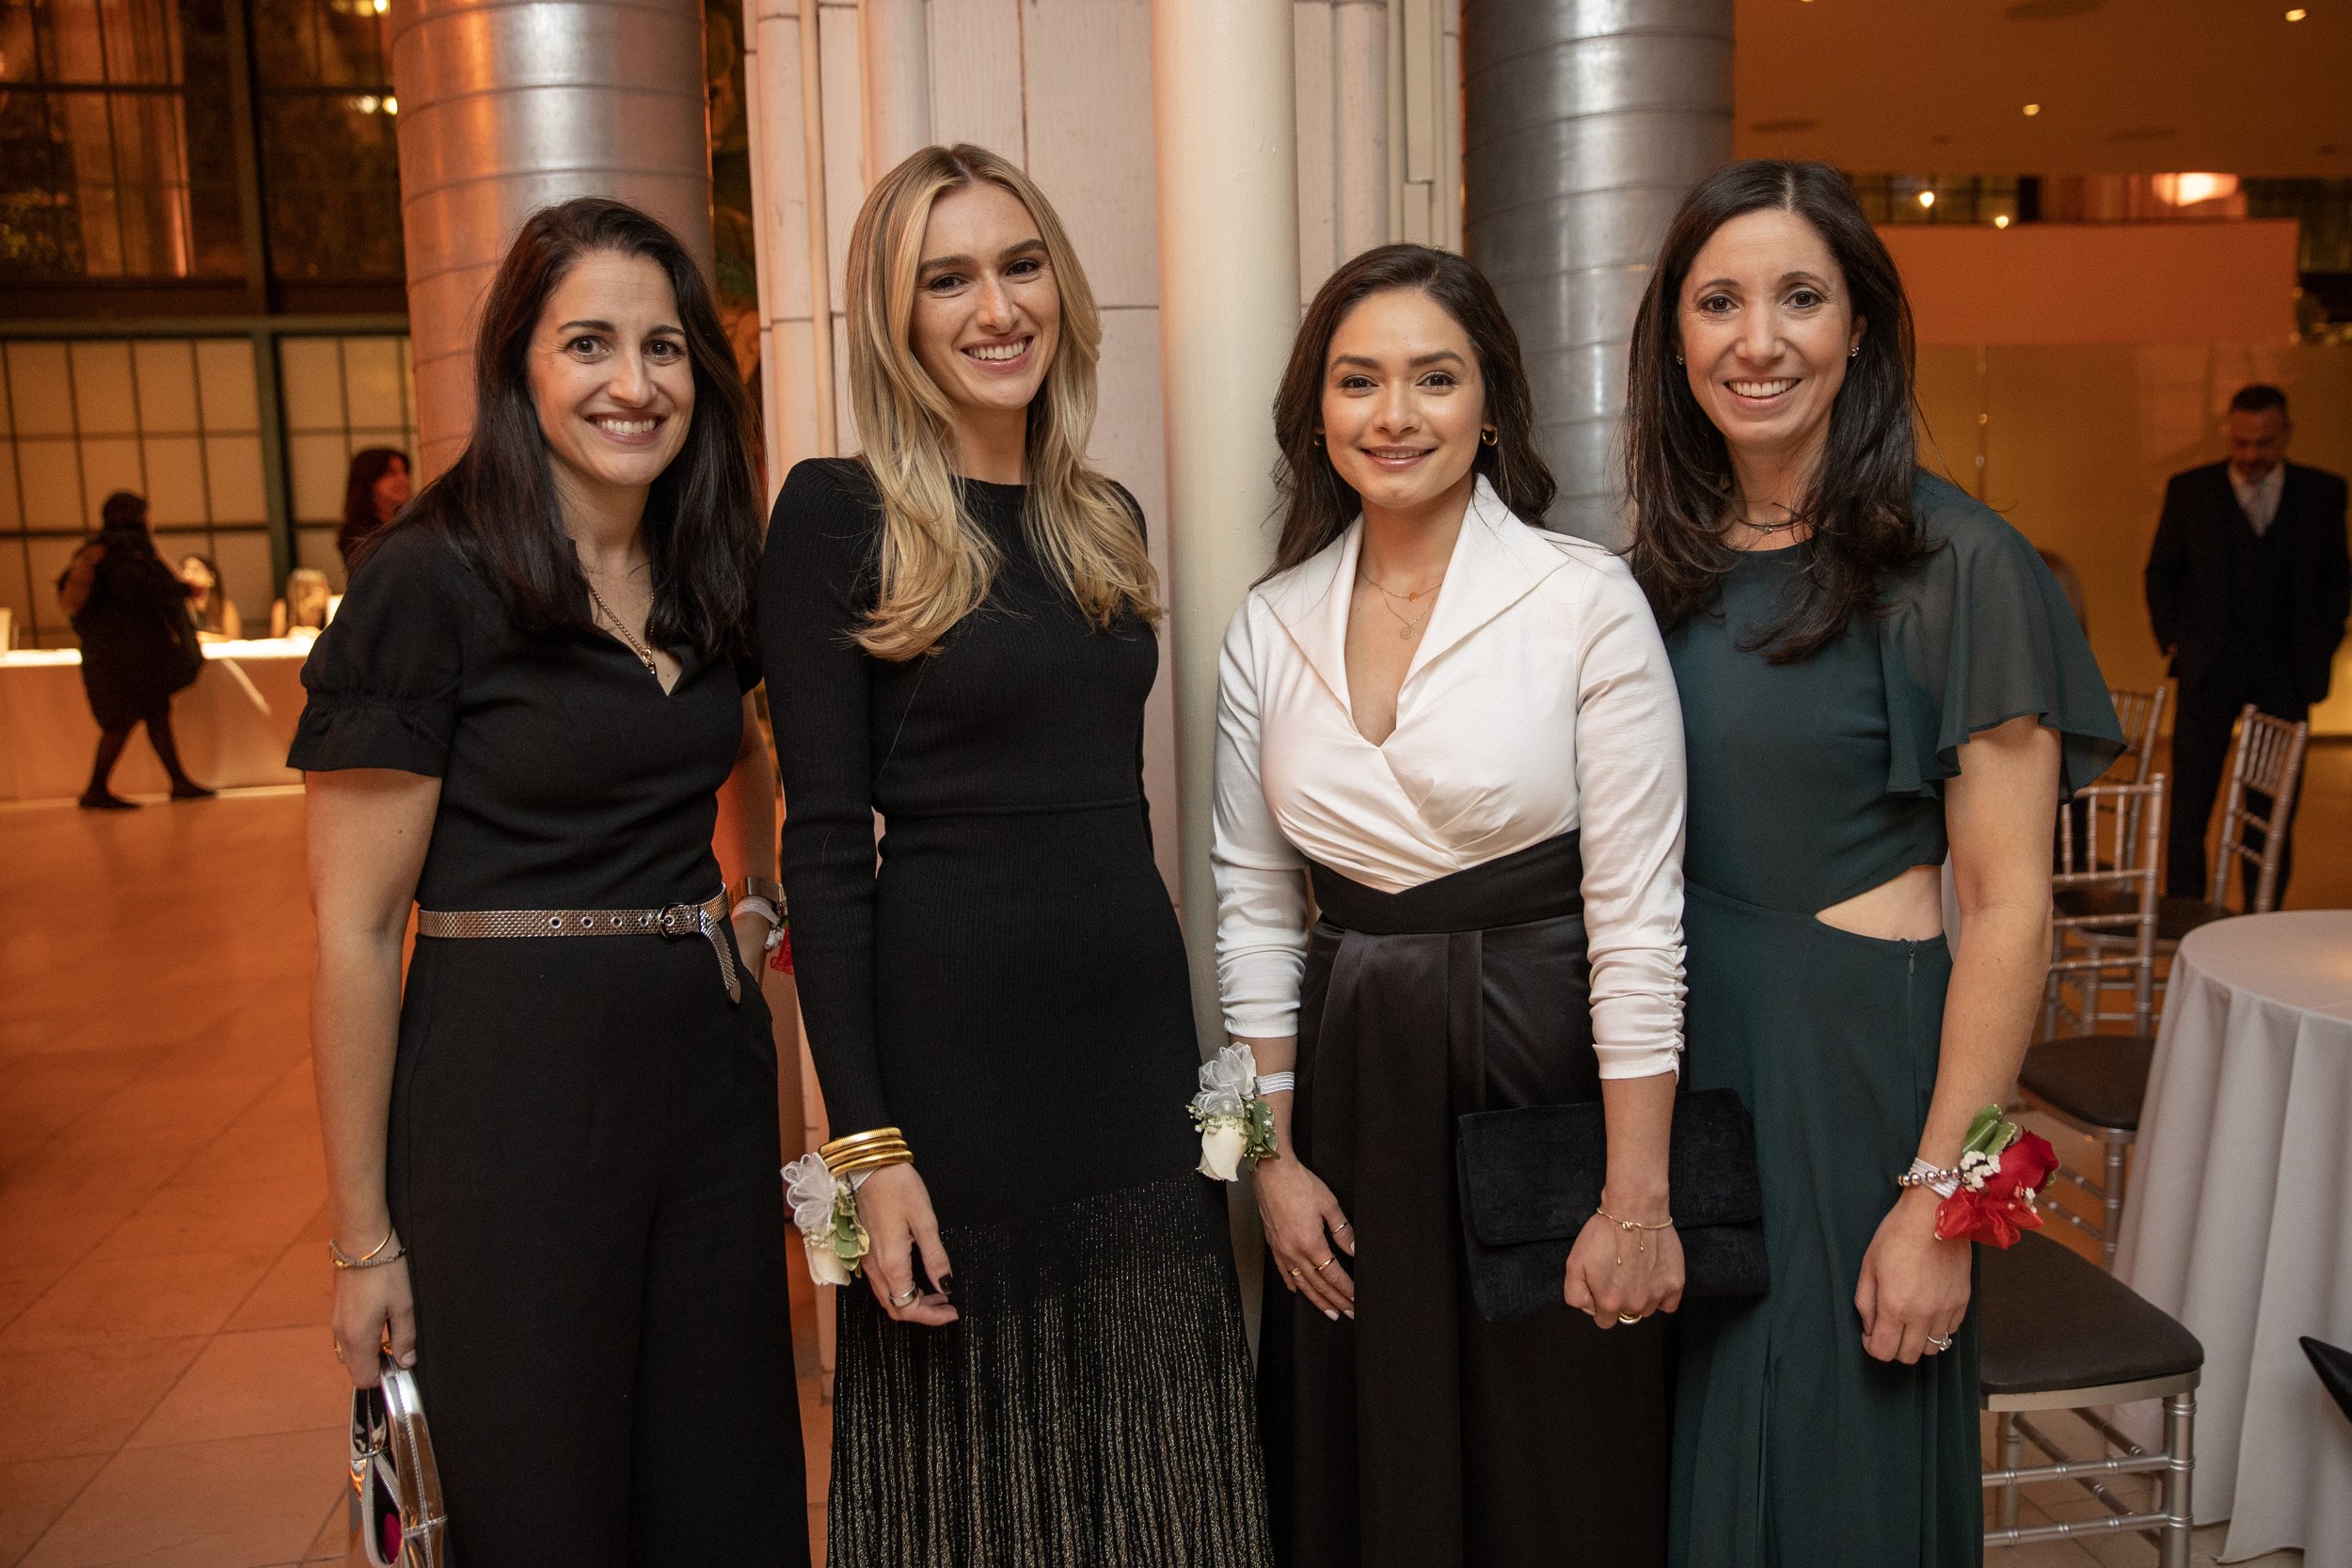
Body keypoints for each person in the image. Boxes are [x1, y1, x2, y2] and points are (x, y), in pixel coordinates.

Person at [759, 143, 1266, 1567]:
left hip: (1129, 1060)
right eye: (948, 279)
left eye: (1020, 264)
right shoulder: (837, 513)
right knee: (976, 1494)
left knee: (1160, 1486)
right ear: (896, 319)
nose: (997, 307)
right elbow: (823, 850)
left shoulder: (1103, 517)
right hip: (954, 1071)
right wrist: (867, 1146)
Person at [1622, 160, 2122, 1568]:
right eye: (1718, 302)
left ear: (1860, 328)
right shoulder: (1659, 565)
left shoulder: (1959, 562)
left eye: (1799, 297)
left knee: (1835, 1476)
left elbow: (2011, 909)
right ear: (1674, 336)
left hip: (1849, 1084)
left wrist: (1943, 1200)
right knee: (1699, 1474)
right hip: (1692, 1069)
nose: (1756, 340)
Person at [293, 197, 806, 1567]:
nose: (633, 383)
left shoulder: (705, 557)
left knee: (719, 1477)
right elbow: (353, 931)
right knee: (540, 1488)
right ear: (518, 363)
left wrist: (754, 897)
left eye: (663, 347)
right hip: (508, 1100)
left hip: (704, 1088)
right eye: (589, 343)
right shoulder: (428, 579)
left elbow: (742, 739)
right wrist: (362, 1242)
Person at [1216, 245, 1690, 1568]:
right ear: (1318, 408)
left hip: (1544, 1068)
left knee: (1552, 1453)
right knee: (1372, 1449)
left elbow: (1638, 915)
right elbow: (1254, 908)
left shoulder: (1583, 597)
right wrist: (1272, 1157)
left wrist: (1635, 1193)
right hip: (1352, 1080)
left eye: (1434, 377)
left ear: (1492, 404)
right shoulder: (1270, 623)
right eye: (1358, 379)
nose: (1394, 413)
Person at [2145, 384, 2349, 903]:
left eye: (2264, 443)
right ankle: (2185, 915)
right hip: (2208, 669)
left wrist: (2321, 643)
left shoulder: (2323, 493)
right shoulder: (2191, 489)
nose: (2251, 455)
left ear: (2287, 433)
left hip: (2286, 672)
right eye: (2241, 443)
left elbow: (2336, 579)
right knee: (2190, 804)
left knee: (2271, 808)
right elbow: (2162, 571)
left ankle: (2263, 917)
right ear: (2228, 434)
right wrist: (2176, 641)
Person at [55, 491, 214, 808]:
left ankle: (177, 781)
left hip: (113, 655)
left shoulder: (96, 552)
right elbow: (138, 590)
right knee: (124, 721)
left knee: (154, 714)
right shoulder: (127, 553)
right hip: (130, 658)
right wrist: (182, 589)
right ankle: (97, 789)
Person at [339, 447, 413, 567]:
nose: (404, 479)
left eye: (404, 471)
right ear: (369, 480)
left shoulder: (410, 520)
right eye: (392, 473)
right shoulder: (356, 534)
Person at [179, 553, 245, 640]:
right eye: (184, 570)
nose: (188, 575)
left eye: (195, 570)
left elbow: (234, 637)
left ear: (211, 578)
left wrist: (203, 637)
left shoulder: (224, 606)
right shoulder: (180, 605)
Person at [271, 566, 332, 637]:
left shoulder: (329, 608)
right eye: (321, 588)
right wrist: (291, 635)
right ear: (305, 592)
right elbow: (276, 638)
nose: (328, 592)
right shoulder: (283, 607)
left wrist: (318, 634)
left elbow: (334, 637)